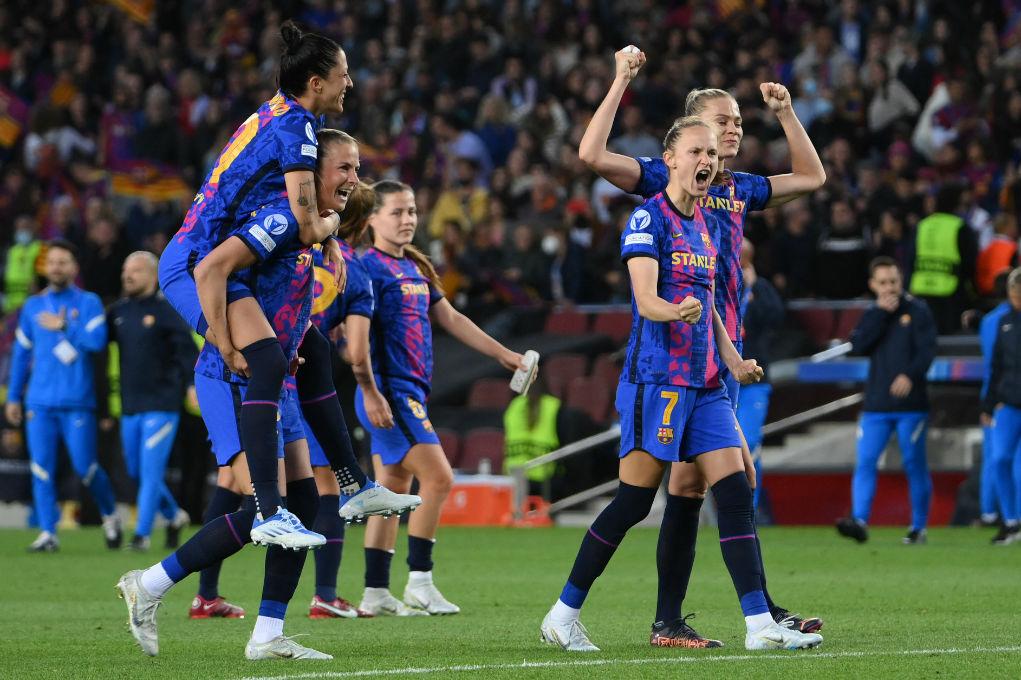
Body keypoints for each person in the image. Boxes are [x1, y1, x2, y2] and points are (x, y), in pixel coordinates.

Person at [541, 117, 822, 653]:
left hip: (707, 382)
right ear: (669, 158)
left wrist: (734, 361)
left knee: (735, 488)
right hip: (658, 380)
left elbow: (712, 304)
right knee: (631, 502)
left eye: (712, 154)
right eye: (696, 151)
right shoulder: (650, 218)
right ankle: (563, 611)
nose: (706, 162)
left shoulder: (707, 227)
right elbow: (645, 300)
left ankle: (759, 624)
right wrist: (675, 309)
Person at [158, 23, 416, 545]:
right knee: (269, 362)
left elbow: (302, 215)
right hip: (197, 262)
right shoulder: (296, 128)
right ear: (317, 82)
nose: (351, 86)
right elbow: (300, 222)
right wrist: (227, 344)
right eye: (344, 76)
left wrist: (327, 239)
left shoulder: (275, 114)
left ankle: (353, 484)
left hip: (218, 255)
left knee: (315, 349)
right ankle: (267, 510)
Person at [117, 133, 368, 660]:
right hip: (233, 375)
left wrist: (328, 241)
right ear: (310, 173)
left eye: (357, 169)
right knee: (262, 503)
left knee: (301, 503)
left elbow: (287, 309)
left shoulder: (312, 234)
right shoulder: (276, 219)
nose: (352, 179)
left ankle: (268, 632)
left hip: (278, 378)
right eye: (344, 168)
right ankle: (156, 582)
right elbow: (214, 273)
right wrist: (229, 346)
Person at [356, 180, 526, 617]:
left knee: (393, 488)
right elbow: (349, 334)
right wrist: (369, 389)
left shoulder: (416, 266)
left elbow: (451, 318)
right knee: (440, 478)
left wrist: (503, 354)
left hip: (410, 390)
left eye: (412, 211)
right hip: (389, 392)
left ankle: (375, 592)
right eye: (396, 212)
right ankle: (420, 580)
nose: (408, 219)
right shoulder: (364, 267)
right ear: (372, 218)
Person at [5, 239, 121, 552]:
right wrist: (14, 397)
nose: (56, 267)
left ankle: (110, 516)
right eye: (52, 262)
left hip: (77, 402)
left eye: (63, 261)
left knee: (87, 469)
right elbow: (20, 356)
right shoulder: (31, 307)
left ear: (74, 267)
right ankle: (48, 533)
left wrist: (65, 325)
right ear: (45, 267)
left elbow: (97, 342)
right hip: (39, 403)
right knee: (41, 469)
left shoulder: (89, 303)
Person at [300, 181, 383, 620]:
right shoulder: (354, 271)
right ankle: (325, 594)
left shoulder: (299, 247)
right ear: (366, 222)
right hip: (315, 386)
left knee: (239, 484)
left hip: (264, 375)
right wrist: (369, 387)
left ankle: (207, 593)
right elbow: (356, 351)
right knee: (328, 487)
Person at [837, 257, 936, 544]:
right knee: (866, 461)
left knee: (914, 463)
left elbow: (927, 351)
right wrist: (880, 314)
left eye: (893, 281)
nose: (889, 287)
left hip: (911, 405)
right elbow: (858, 346)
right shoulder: (872, 314)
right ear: (872, 285)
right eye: (882, 283)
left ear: (900, 280)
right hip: (877, 404)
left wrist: (910, 375)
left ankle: (918, 528)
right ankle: (859, 520)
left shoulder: (918, 311)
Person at [108, 252, 195, 550]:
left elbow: (187, 350)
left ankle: (141, 535)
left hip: (162, 403)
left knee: (150, 472)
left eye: (135, 270)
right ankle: (173, 516)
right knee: (135, 470)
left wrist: (192, 385)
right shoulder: (118, 311)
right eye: (124, 270)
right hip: (131, 404)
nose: (127, 275)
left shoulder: (166, 310)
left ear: (152, 274)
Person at [735, 240, 784, 511]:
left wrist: (754, 287)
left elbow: (776, 317)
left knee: (750, 441)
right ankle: (731, 507)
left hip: (755, 379)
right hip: (725, 379)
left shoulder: (761, 288)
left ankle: (749, 508)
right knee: (725, 446)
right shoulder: (721, 284)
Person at [981, 267, 1021, 545]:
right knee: (999, 460)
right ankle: (1011, 522)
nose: (1016, 301)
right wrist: (988, 404)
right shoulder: (1004, 323)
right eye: (1014, 296)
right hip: (1008, 404)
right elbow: (995, 367)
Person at [908, 183, 978, 334]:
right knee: (950, 342)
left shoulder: (922, 225)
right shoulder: (960, 227)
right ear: (957, 203)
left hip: (922, 292)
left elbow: (910, 259)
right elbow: (970, 263)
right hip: (951, 294)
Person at [978, 289, 1012, 527]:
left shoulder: (989, 321)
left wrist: (989, 402)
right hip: (1009, 396)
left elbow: (992, 364)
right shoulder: (1005, 320)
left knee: (994, 458)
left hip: (994, 394)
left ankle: (988, 512)